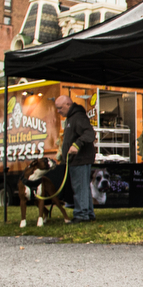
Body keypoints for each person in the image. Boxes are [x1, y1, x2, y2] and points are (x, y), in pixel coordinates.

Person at [54, 95, 97, 223]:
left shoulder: (78, 117)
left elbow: (89, 133)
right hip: (76, 160)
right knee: (83, 187)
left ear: (68, 104)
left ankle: (81, 214)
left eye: (60, 108)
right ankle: (88, 213)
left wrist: (77, 144)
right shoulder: (71, 118)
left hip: (80, 159)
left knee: (80, 187)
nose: (58, 111)